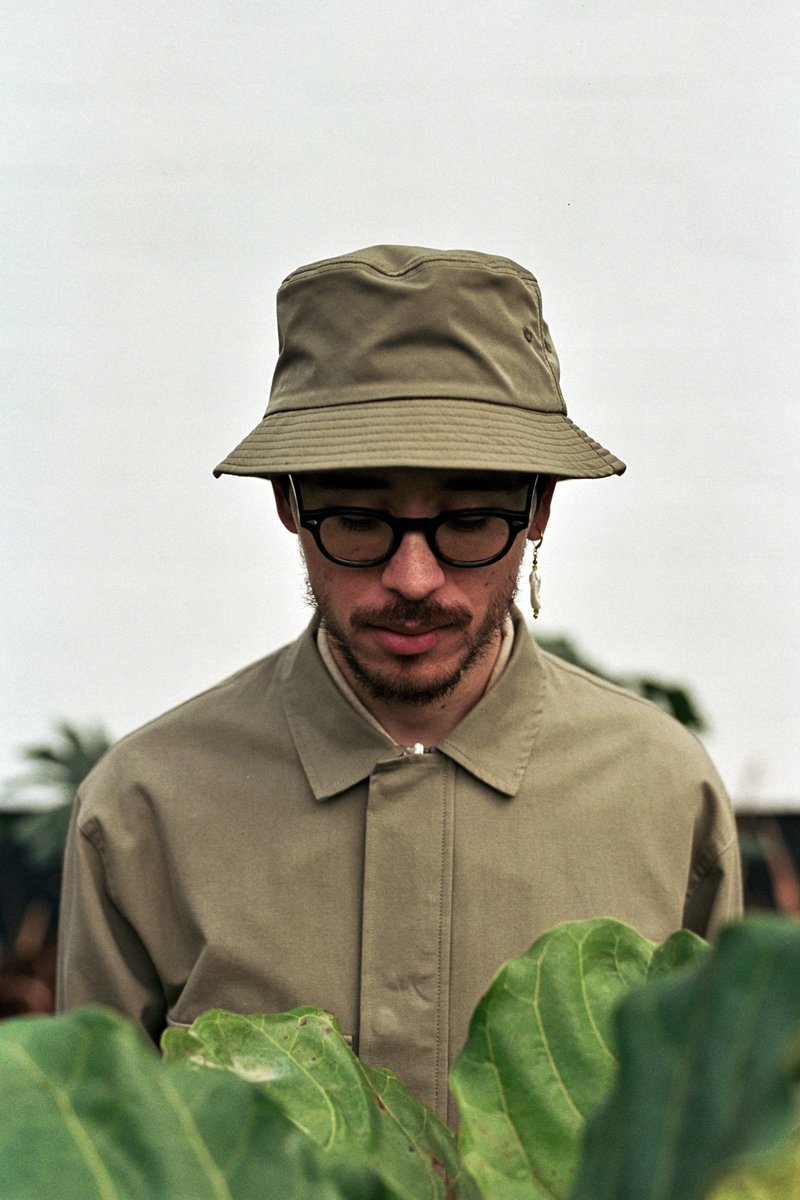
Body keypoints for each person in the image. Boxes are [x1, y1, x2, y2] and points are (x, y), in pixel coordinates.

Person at [57, 245, 742, 1124]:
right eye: (356, 518)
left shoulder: (663, 796)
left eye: (470, 520)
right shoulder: (144, 811)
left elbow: (723, 1147)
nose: (414, 578)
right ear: (287, 503)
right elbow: (96, 1157)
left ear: (539, 508)